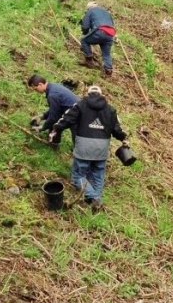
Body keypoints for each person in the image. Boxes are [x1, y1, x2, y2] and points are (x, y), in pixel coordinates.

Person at [49, 84, 128, 212]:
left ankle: (94, 198)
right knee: (98, 175)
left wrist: (56, 128)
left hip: (84, 147)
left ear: (88, 94)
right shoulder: (110, 109)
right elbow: (117, 129)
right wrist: (124, 138)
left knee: (77, 177)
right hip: (102, 148)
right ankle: (97, 204)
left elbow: (67, 118)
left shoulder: (80, 105)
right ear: (101, 95)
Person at [26, 74, 78, 140]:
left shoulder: (52, 95)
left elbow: (53, 117)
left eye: (36, 89)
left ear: (40, 84)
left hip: (78, 115)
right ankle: (54, 143)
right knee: (55, 124)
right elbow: (56, 110)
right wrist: (42, 116)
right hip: (73, 111)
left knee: (78, 140)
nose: (36, 91)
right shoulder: (54, 87)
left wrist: (42, 128)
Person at [80, 1, 117, 77]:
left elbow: (85, 26)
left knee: (84, 41)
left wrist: (85, 33)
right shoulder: (106, 12)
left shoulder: (90, 11)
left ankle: (89, 60)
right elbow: (112, 24)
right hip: (110, 34)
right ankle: (108, 70)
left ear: (89, 8)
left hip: (100, 31)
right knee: (106, 54)